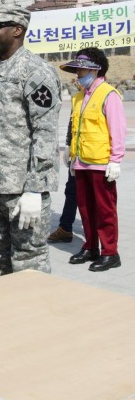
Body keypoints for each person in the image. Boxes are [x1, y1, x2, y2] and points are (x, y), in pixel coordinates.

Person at [0, 4, 61, 279]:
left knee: (28, 258)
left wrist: (35, 188)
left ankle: (35, 318)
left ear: (17, 30)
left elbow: (44, 133)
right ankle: (0, 314)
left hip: (21, 189)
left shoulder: (35, 72)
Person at [60, 48, 126, 271]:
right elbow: (75, 128)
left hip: (101, 163)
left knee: (104, 209)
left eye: (82, 69)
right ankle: (90, 247)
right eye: (77, 69)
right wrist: (71, 154)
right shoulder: (78, 97)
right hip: (81, 161)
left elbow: (117, 129)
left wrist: (115, 160)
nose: (78, 73)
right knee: (85, 208)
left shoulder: (109, 94)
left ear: (96, 70)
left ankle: (110, 252)